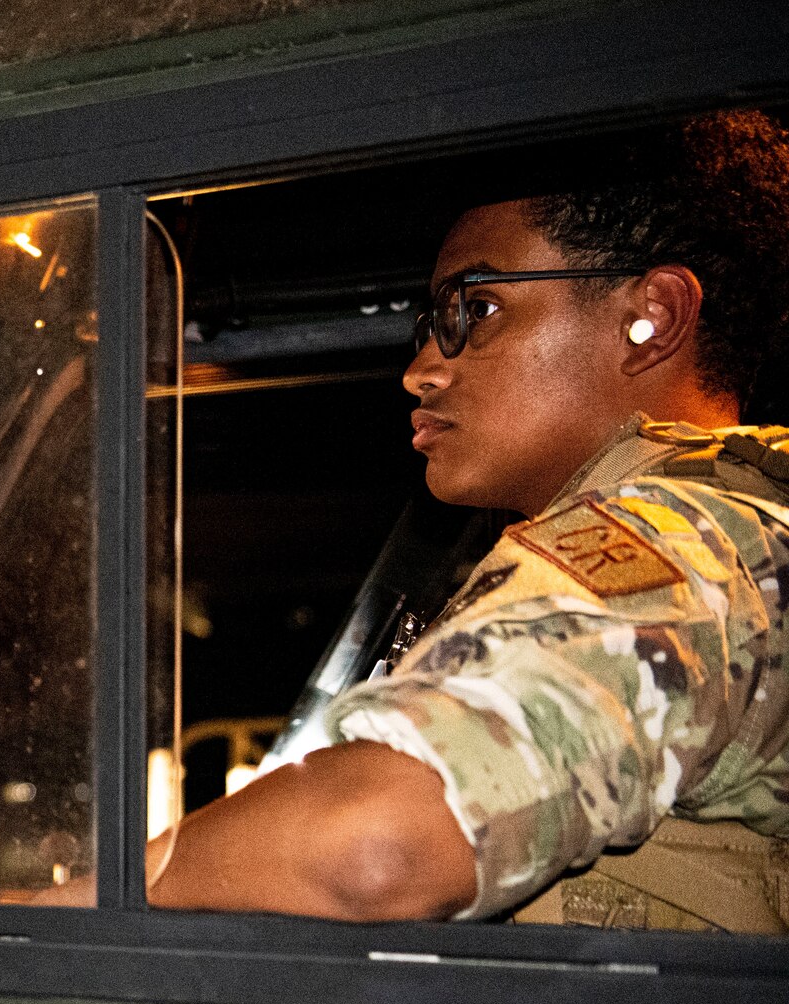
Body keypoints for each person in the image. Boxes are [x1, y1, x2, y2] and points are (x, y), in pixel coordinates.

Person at [145, 110, 789, 931]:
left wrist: (64, 905)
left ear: (652, 316)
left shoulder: (691, 543)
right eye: (429, 324)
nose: (421, 370)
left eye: (473, 311)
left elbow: (375, 842)